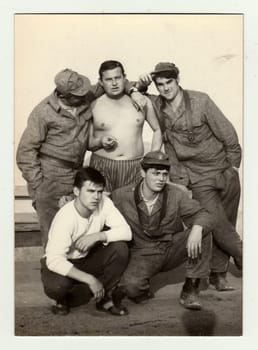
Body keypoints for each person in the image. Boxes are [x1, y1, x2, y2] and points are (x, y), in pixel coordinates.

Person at [137, 62, 243, 290]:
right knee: (214, 223)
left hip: (224, 170)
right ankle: (245, 256)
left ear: (177, 80)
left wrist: (232, 168)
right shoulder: (157, 105)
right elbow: (137, 94)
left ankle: (218, 273)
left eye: (169, 82)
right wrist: (142, 86)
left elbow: (228, 134)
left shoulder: (200, 101)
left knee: (227, 222)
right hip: (199, 176)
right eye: (160, 85)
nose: (165, 88)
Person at [16, 68, 121, 246]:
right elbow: (25, 152)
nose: (84, 96)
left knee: (77, 230)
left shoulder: (83, 96)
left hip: (76, 175)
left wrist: (136, 88)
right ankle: (51, 273)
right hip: (51, 177)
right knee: (53, 237)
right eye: (78, 95)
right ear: (64, 96)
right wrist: (40, 185)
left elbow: (108, 85)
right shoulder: (43, 112)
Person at [112, 151, 214, 310]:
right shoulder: (122, 196)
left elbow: (203, 214)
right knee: (132, 288)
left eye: (165, 174)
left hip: (171, 246)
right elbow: (99, 206)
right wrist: (70, 199)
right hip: (143, 252)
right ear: (142, 172)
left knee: (203, 230)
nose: (161, 179)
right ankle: (143, 290)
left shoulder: (176, 194)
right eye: (155, 173)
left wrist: (197, 228)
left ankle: (191, 287)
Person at [40, 166, 132, 316]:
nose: (96, 197)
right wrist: (90, 279)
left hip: (87, 258)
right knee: (57, 287)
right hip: (63, 262)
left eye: (99, 191)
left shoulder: (104, 203)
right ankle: (62, 299)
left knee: (120, 248)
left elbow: (126, 232)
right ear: (76, 191)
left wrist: (98, 236)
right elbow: (54, 260)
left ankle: (104, 298)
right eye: (90, 191)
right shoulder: (66, 217)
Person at [89, 60, 163, 193]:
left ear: (124, 78)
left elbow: (157, 130)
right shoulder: (93, 106)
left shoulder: (141, 101)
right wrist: (101, 142)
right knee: (100, 210)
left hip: (134, 167)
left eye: (117, 78)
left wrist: (152, 156)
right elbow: (88, 143)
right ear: (101, 82)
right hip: (102, 166)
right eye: (108, 79)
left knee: (131, 209)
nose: (114, 83)